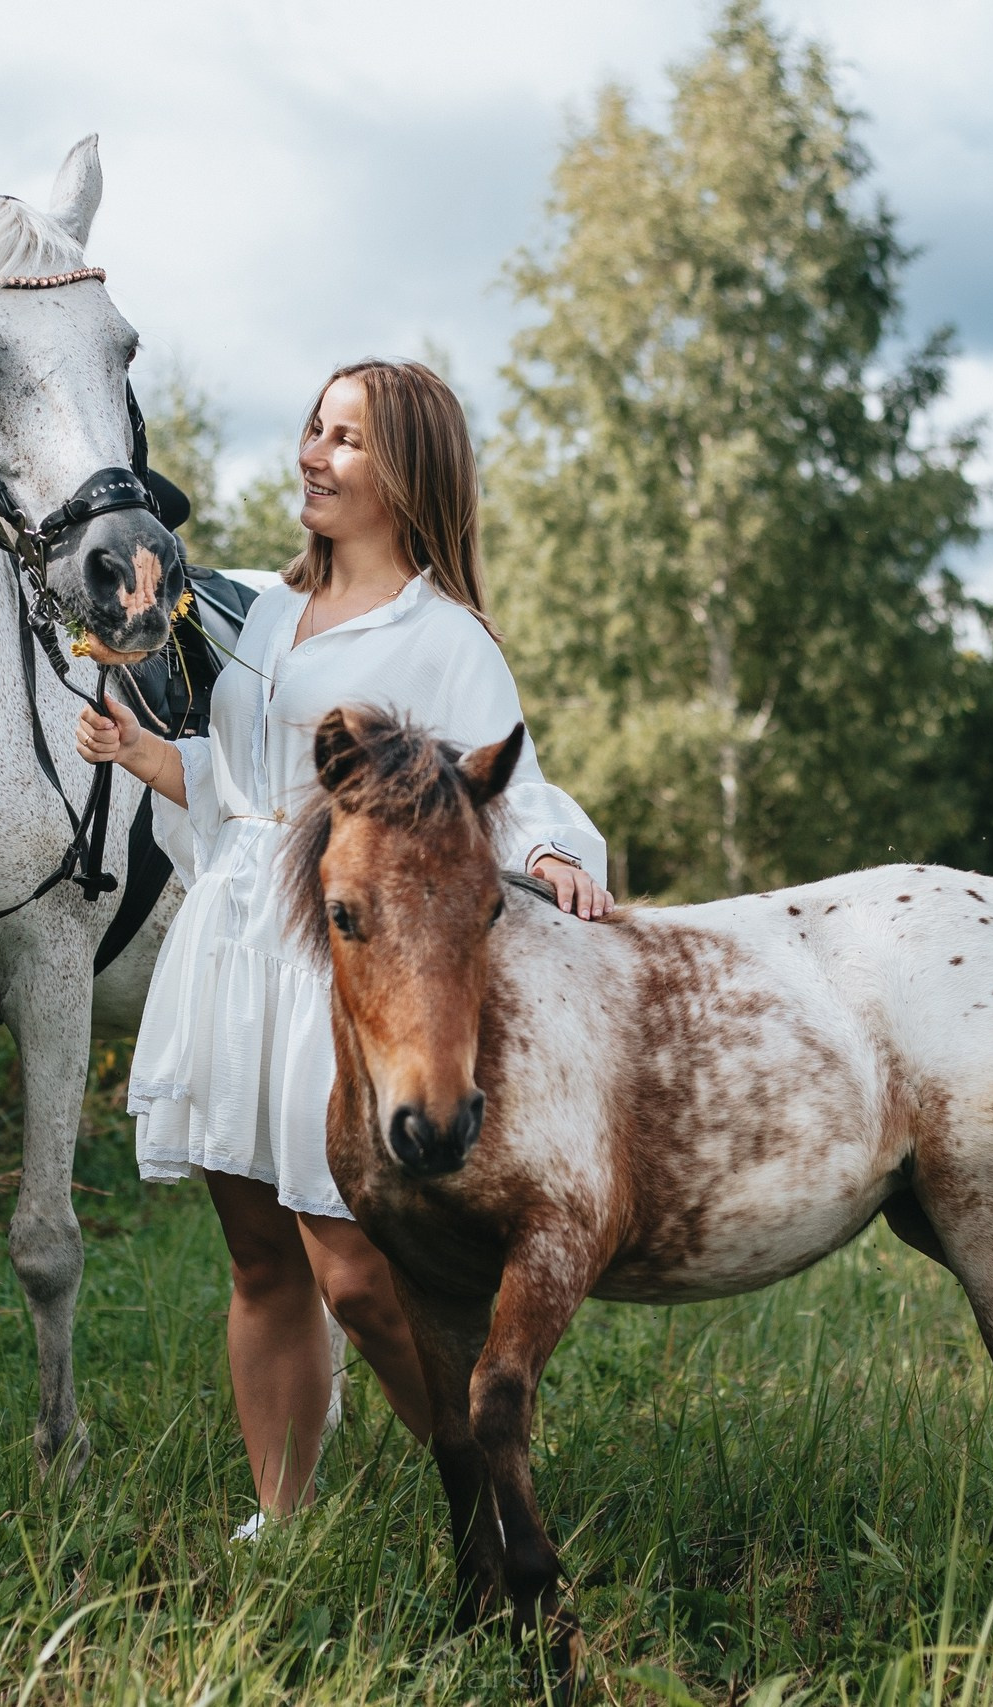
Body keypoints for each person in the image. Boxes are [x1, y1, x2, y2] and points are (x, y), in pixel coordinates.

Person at [75, 359, 612, 1532]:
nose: (313, 454)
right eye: (313, 430)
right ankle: (282, 1516)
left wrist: (559, 854)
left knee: (358, 1274)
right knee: (261, 1263)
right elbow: (239, 788)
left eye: (347, 440)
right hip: (232, 944)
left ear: (406, 470)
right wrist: (135, 748)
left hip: (342, 970)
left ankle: (488, 1496)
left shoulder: (443, 638)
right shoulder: (266, 612)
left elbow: (498, 790)